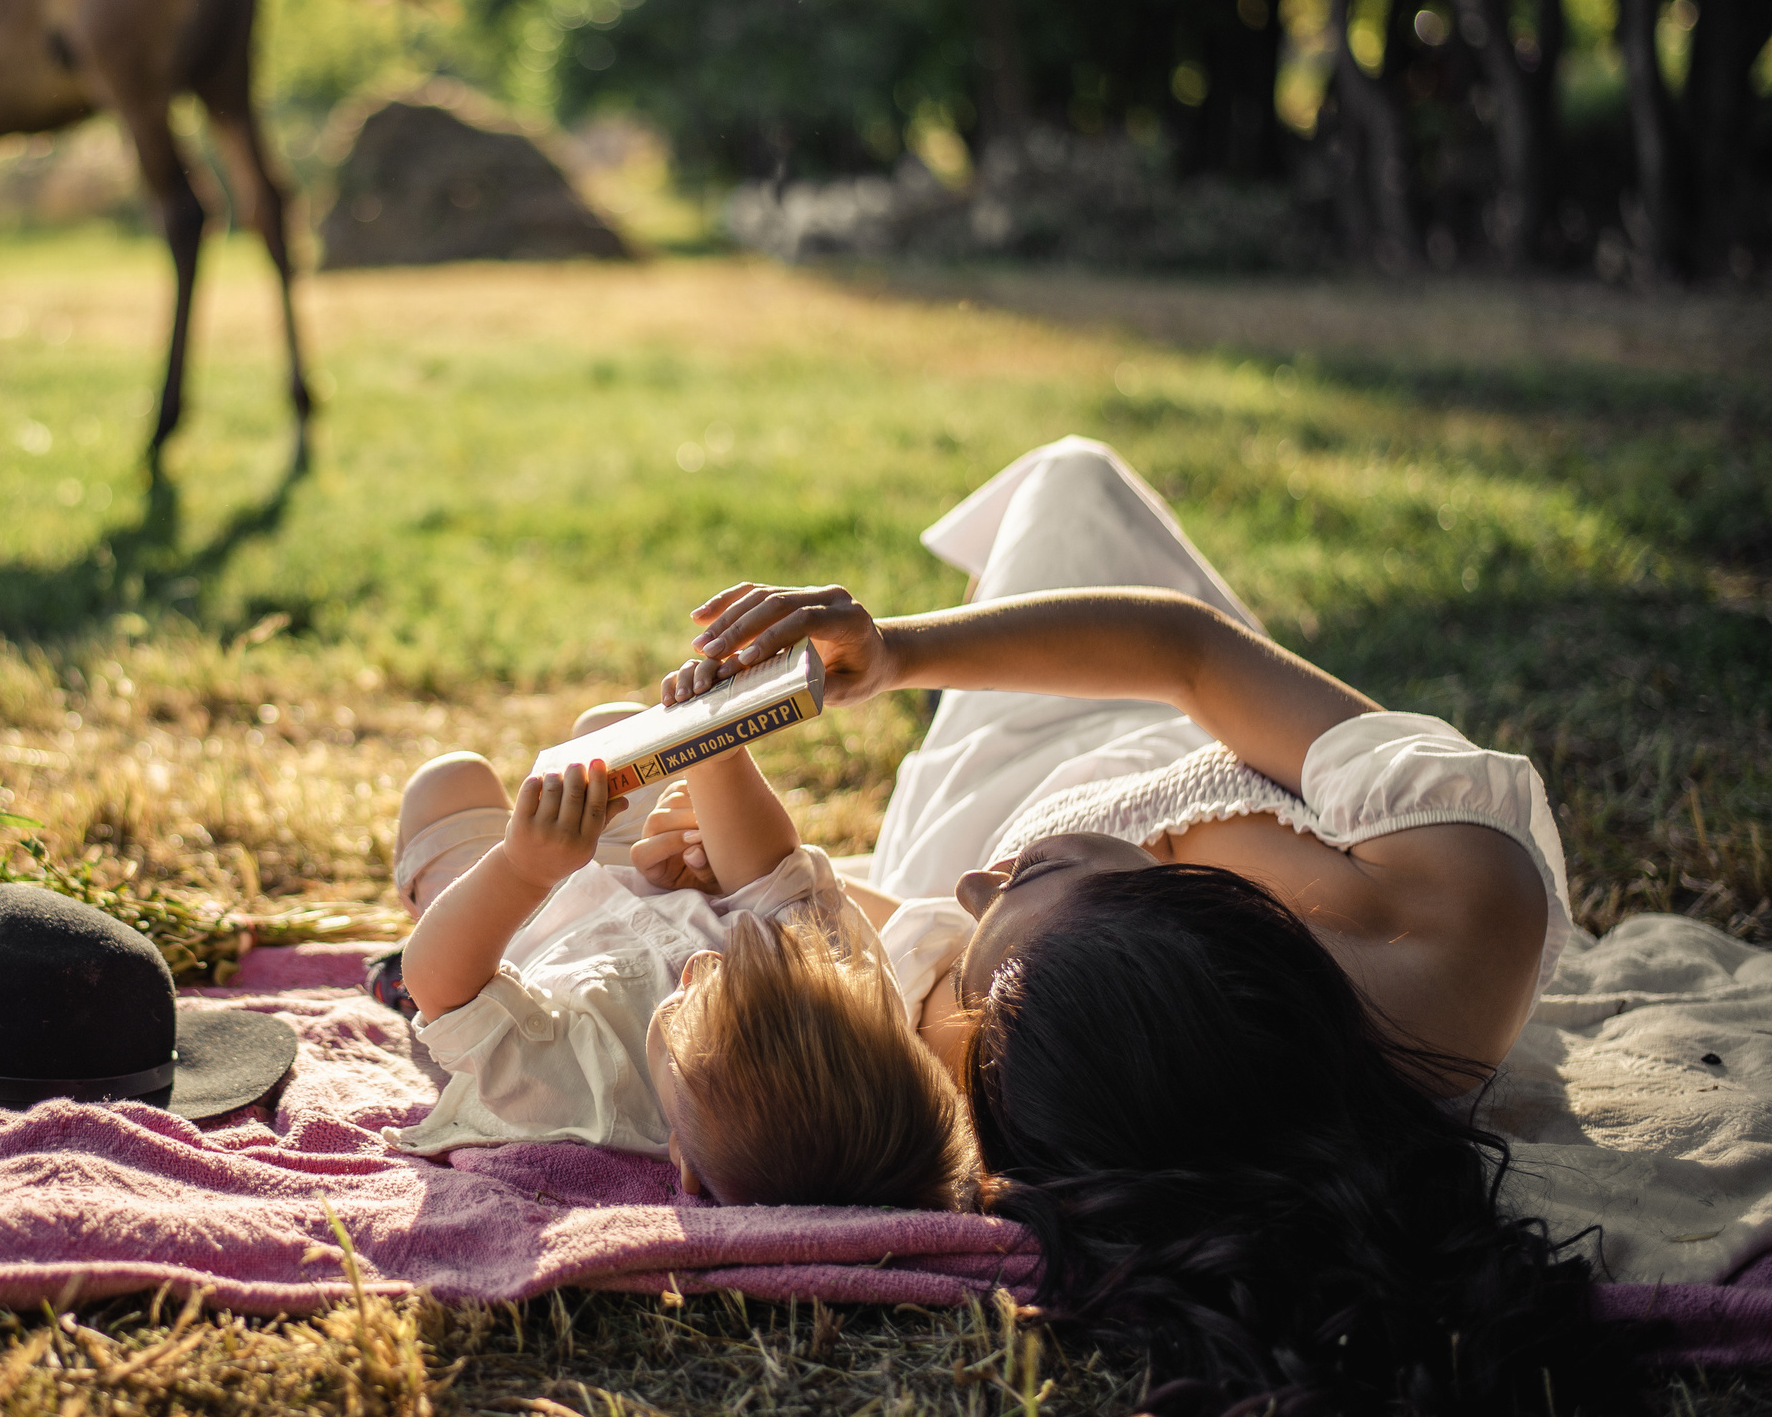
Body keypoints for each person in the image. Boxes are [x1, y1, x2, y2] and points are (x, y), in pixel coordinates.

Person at [668, 436, 1635, 1415]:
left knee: (1069, 483)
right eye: (1027, 873)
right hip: (1157, 708)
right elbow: (1189, 654)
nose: (970, 885)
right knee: (1073, 477)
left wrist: (821, 830)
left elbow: (913, 941)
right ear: (1179, 908)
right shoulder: (1453, 914)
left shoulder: (1053, 1068)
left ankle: (971, 724)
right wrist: (900, 656)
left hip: (989, 792)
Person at [383, 724, 967, 1211]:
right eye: (734, 974)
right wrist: (714, 749)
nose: (700, 968)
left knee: (449, 781)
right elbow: (774, 877)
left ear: (682, 1158)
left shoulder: (582, 1097)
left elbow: (442, 986)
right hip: (655, 871)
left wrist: (520, 867)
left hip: (507, 915)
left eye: (689, 1009)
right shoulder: (835, 992)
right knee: (615, 725)